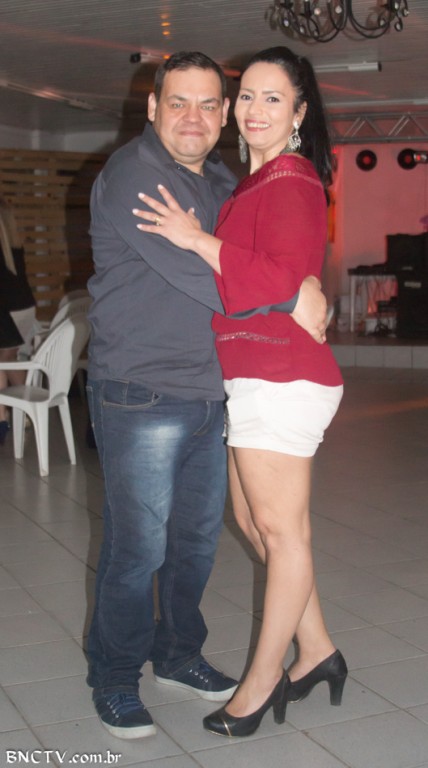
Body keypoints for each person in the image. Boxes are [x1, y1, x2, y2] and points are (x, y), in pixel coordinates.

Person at [87, 50, 328, 740]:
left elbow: (262, 257)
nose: (193, 117)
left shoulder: (225, 180)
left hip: (213, 387)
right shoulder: (136, 175)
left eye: (208, 104)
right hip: (141, 388)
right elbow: (206, 279)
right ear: (153, 107)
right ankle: (114, 676)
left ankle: (178, 654)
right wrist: (290, 299)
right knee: (138, 546)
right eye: (178, 102)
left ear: (224, 115)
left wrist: (300, 282)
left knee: (194, 543)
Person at [0, 196, 36, 443]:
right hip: (25, 308)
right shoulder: (14, 243)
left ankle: (2, 418)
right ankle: (26, 413)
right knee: (8, 359)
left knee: (2, 361)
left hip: (8, 312)